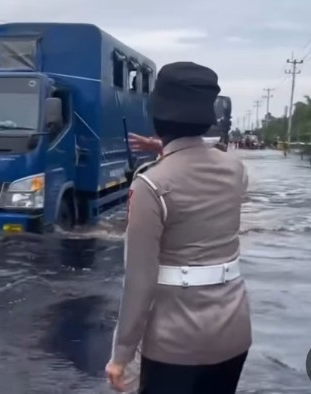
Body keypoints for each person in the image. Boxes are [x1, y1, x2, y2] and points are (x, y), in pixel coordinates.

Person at [106, 62, 251, 394]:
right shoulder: (235, 169)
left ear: (156, 114)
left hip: (176, 344)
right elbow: (202, 162)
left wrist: (121, 355)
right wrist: (166, 149)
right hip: (234, 332)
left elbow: (139, 282)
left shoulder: (150, 184)